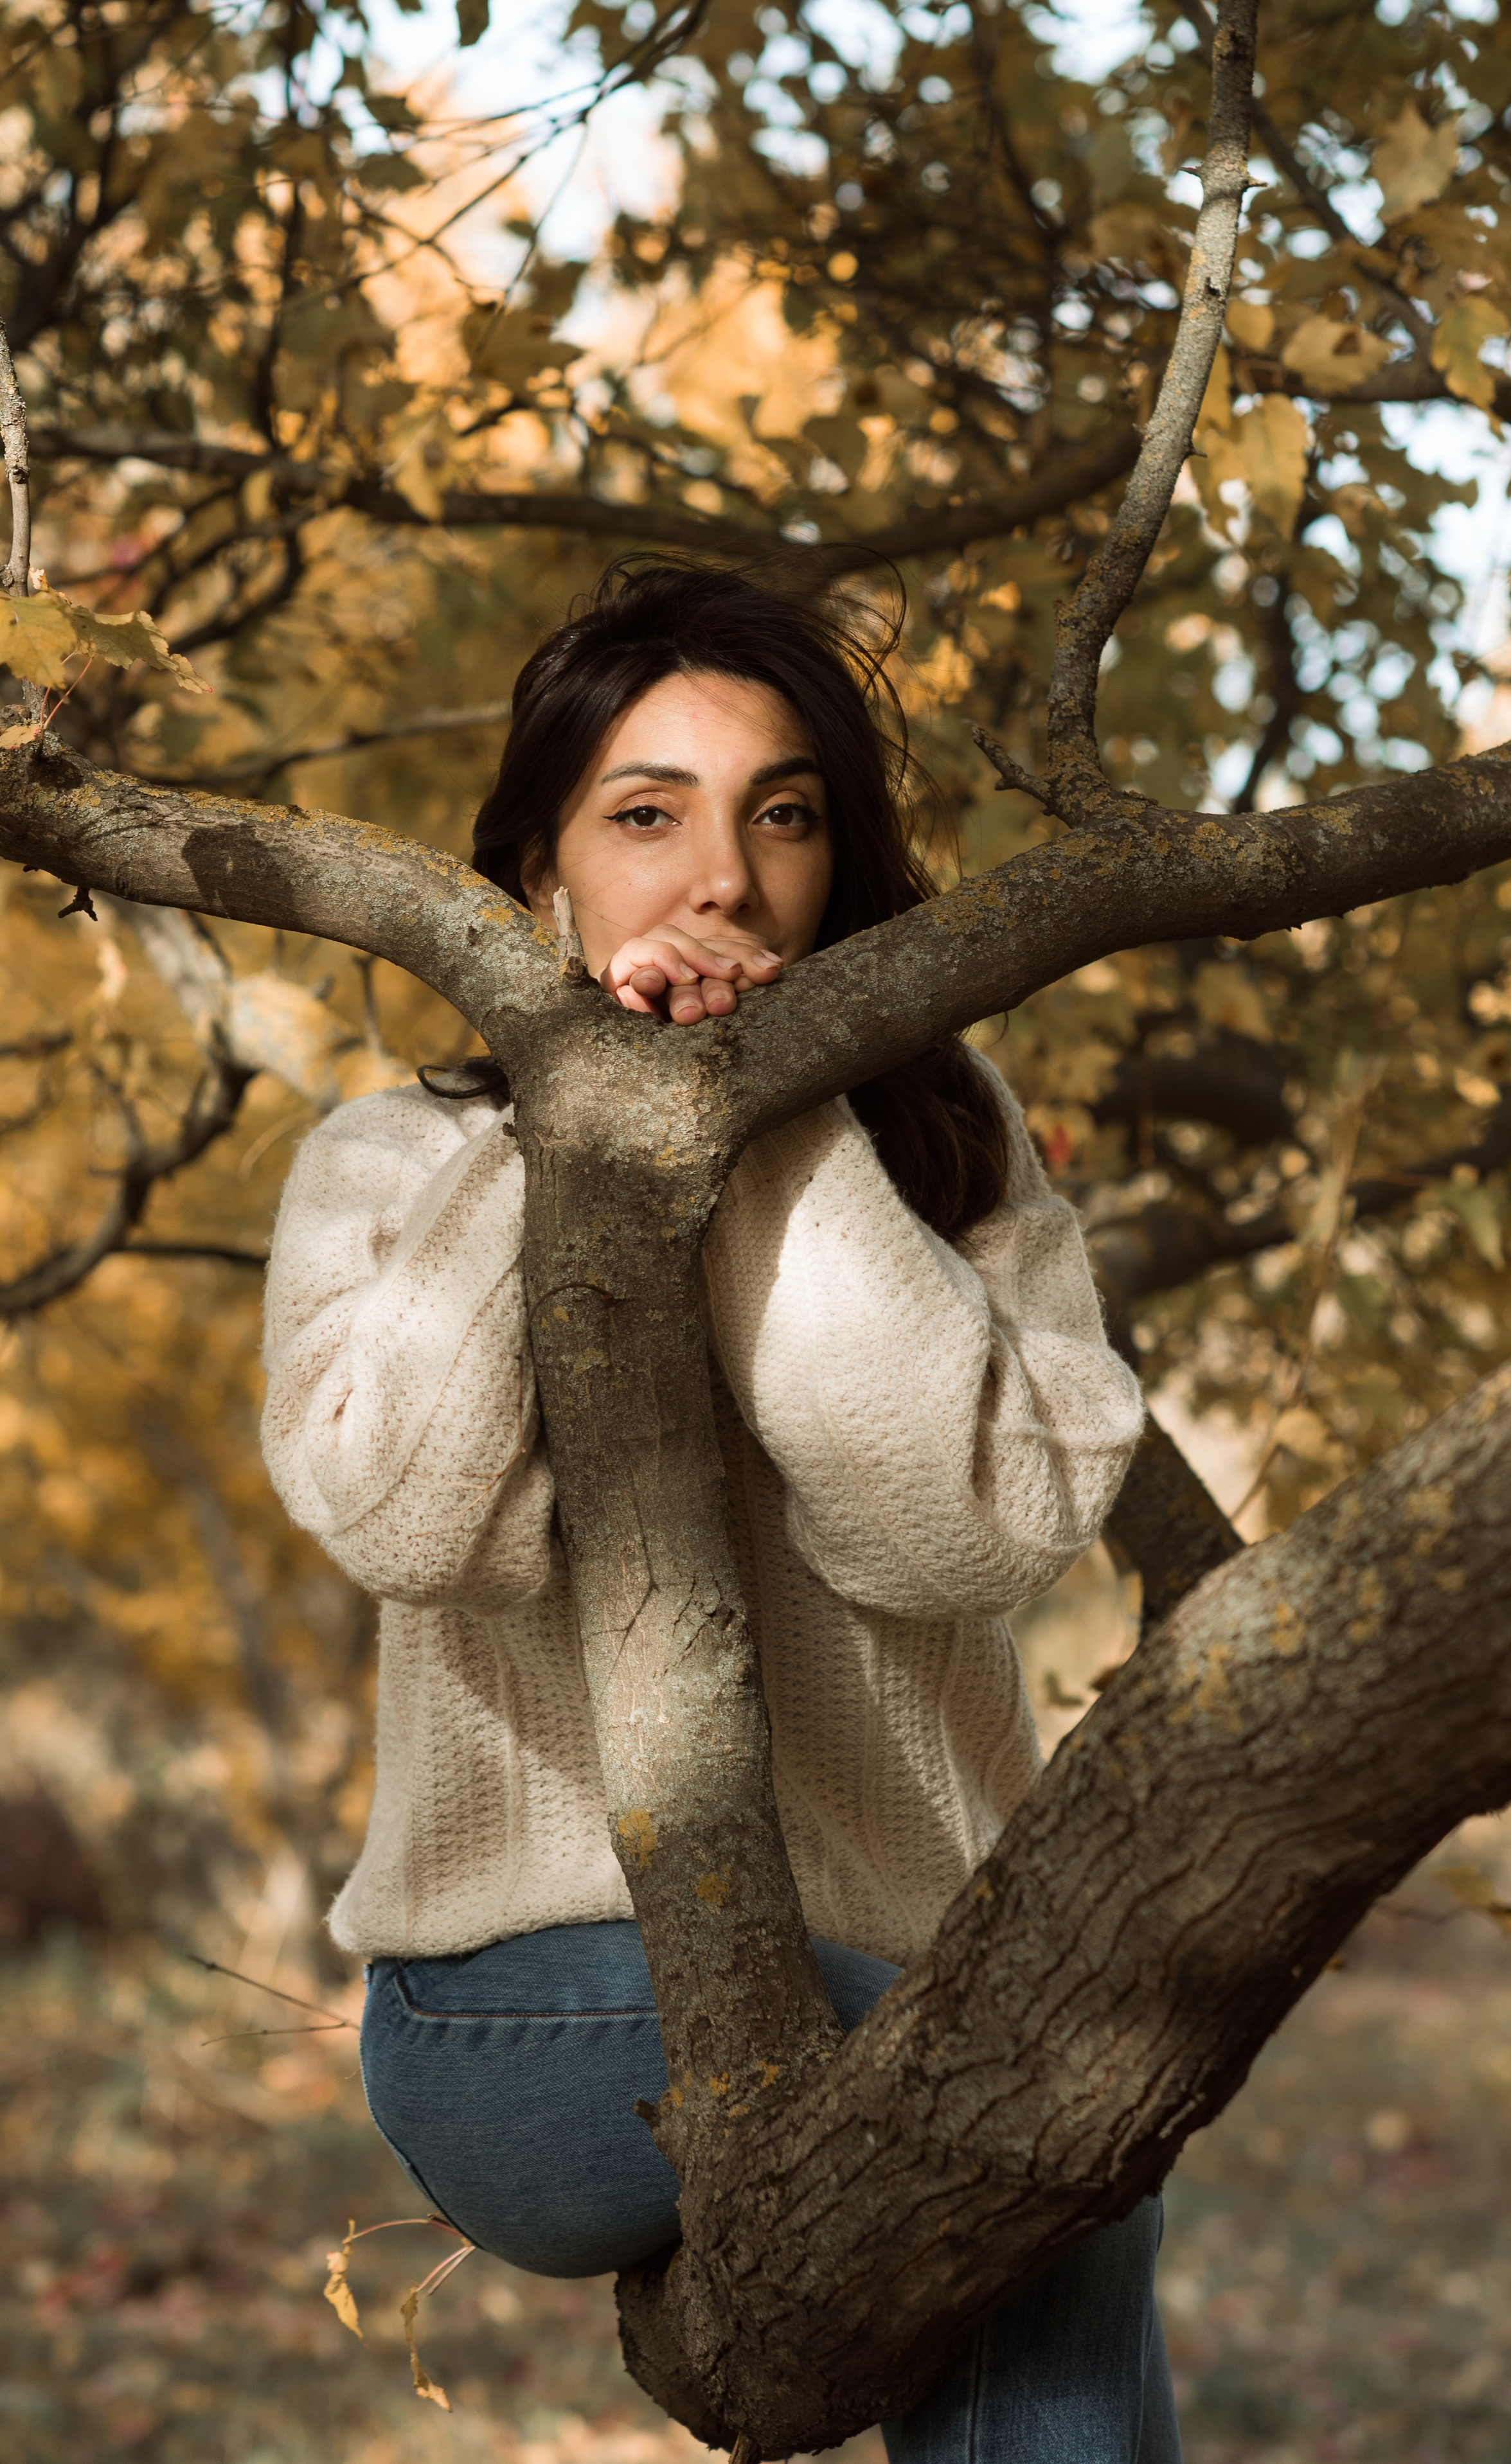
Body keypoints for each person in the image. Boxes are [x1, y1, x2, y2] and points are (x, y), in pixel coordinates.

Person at [260, 555, 1179, 2463]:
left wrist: (777, 1127)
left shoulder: (949, 1144)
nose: (725, 881)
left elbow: (965, 1528)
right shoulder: (395, 1163)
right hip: (528, 2017)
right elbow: (413, 1513)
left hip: (919, 1987)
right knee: (1025, 2099)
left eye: (784, 815)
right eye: (645, 814)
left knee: (1040, 2120)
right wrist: (580, 1119)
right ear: (538, 873)